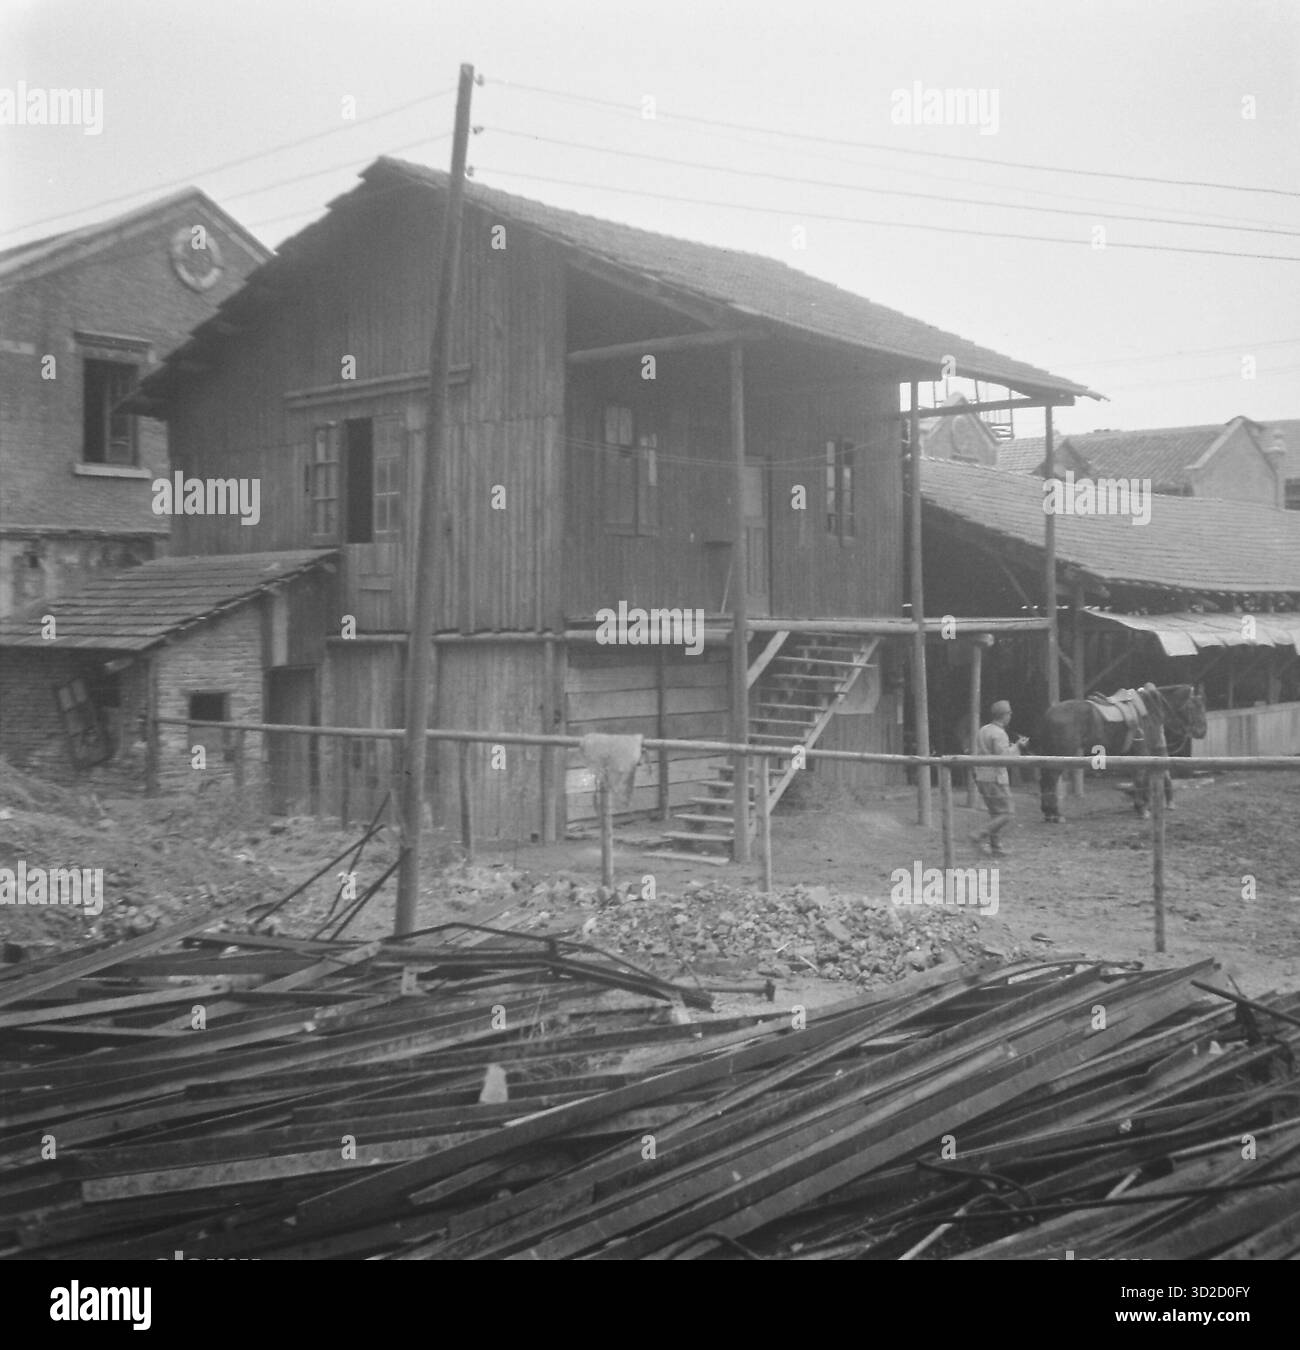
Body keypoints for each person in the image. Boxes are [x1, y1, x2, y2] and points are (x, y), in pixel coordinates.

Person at [970, 700, 1028, 857]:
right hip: (996, 777)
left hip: (981, 775)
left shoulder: (983, 730)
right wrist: (1018, 746)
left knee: (996, 813)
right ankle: (979, 834)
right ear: (1004, 715)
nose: (1010, 716)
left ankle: (996, 847)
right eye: (1009, 714)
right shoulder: (1000, 734)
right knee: (1007, 813)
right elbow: (1004, 758)